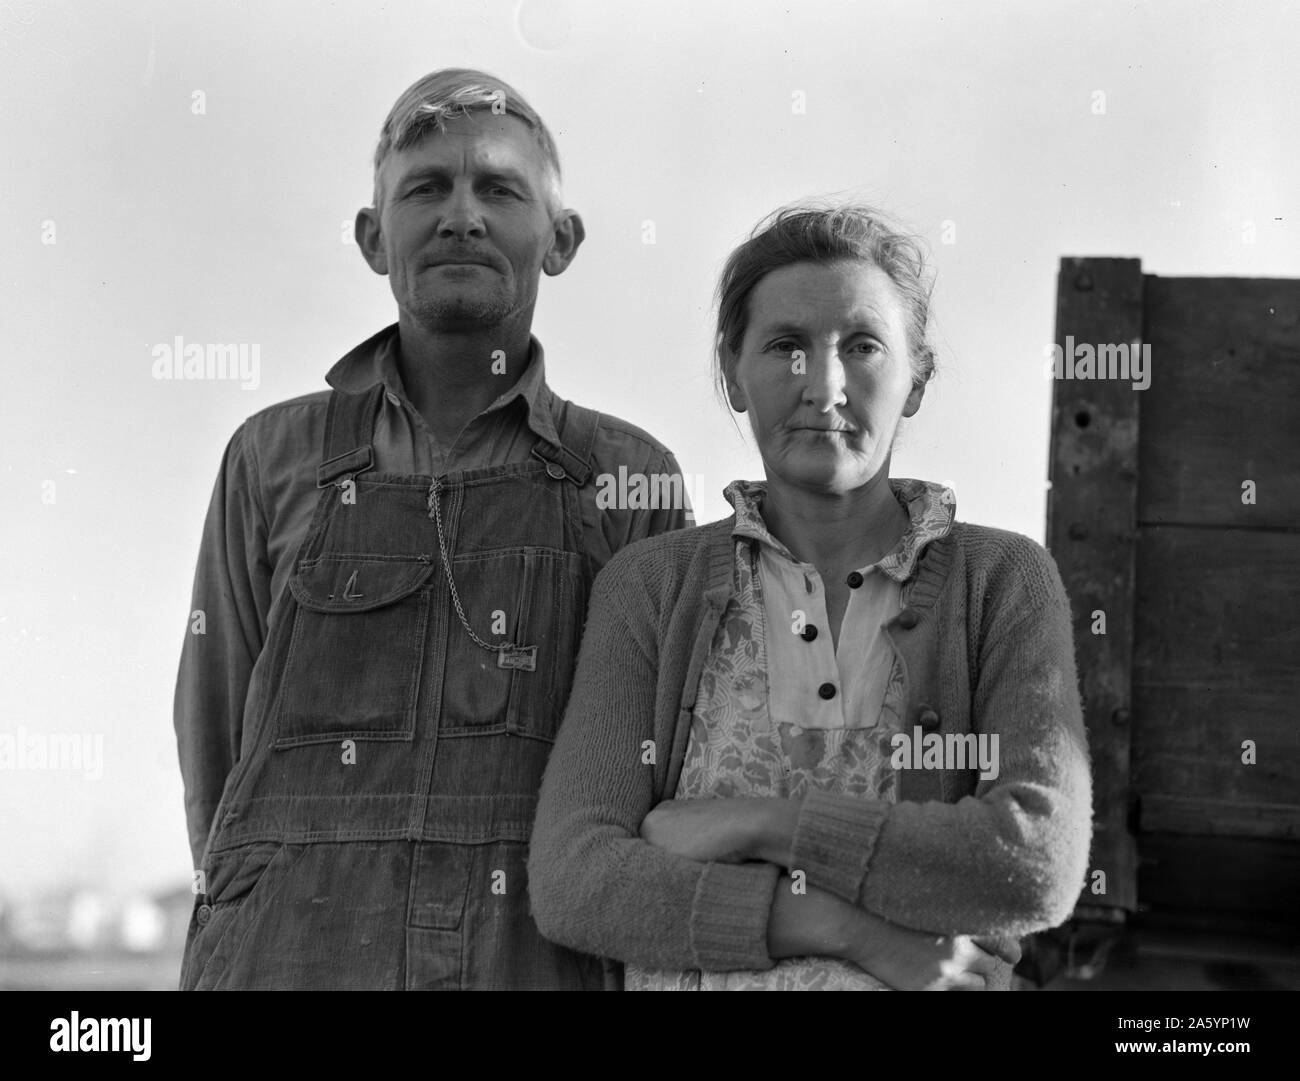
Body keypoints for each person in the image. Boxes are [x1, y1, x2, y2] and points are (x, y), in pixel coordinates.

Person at [173, 69, 691, 990]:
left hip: (535, 956)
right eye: (425, 189)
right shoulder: (272, 457)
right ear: (374, 239)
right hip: (289, 956)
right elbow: (213, 733)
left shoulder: (627, 478)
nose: (462, 216)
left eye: (499, 188)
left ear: (561, 239)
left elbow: (656, 773)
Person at [528, 203, 1093, 991]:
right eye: (786, 345)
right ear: (733, 371)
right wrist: (851, 930)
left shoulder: (1001, 583)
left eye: (862, 346)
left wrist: (761, 823)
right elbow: (576, 880)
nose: (822, 386)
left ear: (917, 377)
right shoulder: (654, 588)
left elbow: (1033, 860)